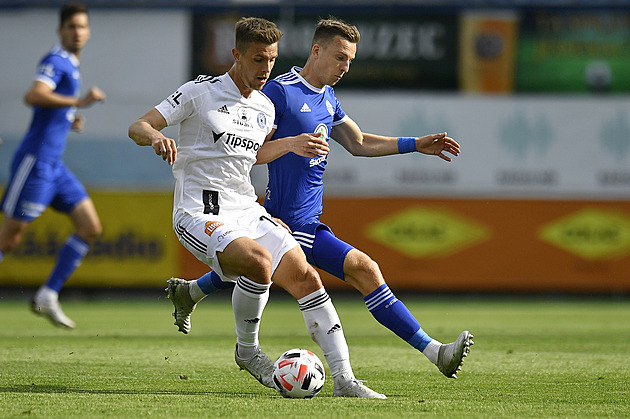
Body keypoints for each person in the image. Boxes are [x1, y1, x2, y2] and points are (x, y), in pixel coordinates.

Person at [193, 17, 474, 379]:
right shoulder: (280, 92)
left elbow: (357, 143)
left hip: (307, 221)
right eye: (340, 57)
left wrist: (414, 145)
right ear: (316, 50)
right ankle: (430, 354)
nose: (345, 67)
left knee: (263, 265)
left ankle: (193, 290)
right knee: (365, 269)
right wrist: (276, 165)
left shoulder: (326, 97)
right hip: (289, 221)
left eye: (350, 61)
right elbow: (249, 149)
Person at [128, 17, 385, 398]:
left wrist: (291, 144)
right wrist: (155, 138)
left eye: (272, 60)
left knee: (307, 279)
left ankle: (345, 380)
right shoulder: (200, 92)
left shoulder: (264, 106)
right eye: (258, 60)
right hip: (200, 210)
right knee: (258, 262)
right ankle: (247, 352)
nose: (266, 70)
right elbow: (139, 125)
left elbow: (254, 154)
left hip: (246, 208)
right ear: (237, 55)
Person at [0, 3, 106, 329]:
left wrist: (68, 118)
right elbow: (35, 95)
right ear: (61, 31)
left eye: (82, 27)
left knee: (90, 228)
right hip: (35, 162)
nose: (77, 32)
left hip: (55, 167)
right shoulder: (55, 60)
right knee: (10, 239)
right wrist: (79, 102)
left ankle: (48, 295)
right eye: (72, 26)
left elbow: (49, 104)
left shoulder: (71, 63)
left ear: (88, 32)